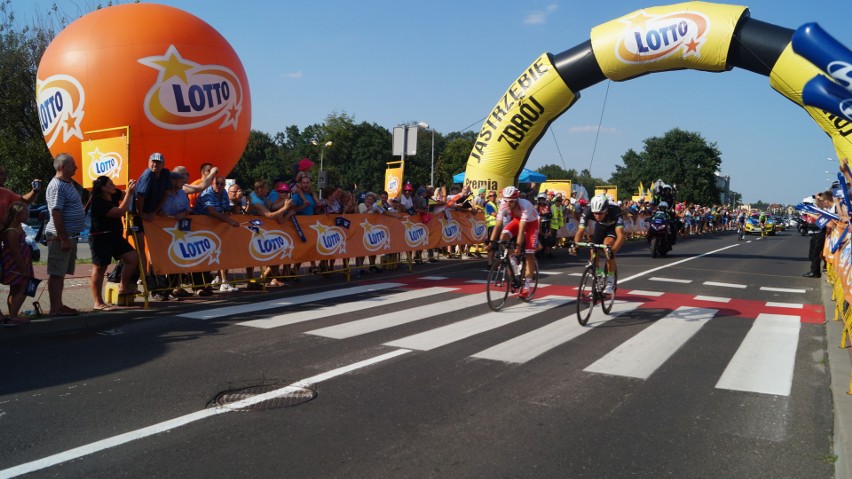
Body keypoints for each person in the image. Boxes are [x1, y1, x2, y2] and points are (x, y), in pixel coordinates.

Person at [87, 176, 139, 310]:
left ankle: (123, 287)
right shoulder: (98, 202)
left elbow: (125, 193)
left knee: (132, 257)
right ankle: (98, 302)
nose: (113, 185)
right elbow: (119, 212)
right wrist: (129, 194)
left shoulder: (113, 192)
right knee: (100, 268)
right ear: (103, 187)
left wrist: (132, 189)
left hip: (115, 235)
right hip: (100, 238)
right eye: (110, 184)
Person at [44, 153, 85, 316]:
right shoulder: (57, 186)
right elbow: (56, 212)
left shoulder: (67, 183)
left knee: (60, 272)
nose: (75, 167)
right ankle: (55, 308)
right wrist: (63, 238)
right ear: (62, 167)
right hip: (59, 236)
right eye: (72, 164)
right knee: (56, 272)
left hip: (69, 235)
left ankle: (59, 305)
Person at [487, 186, 540, 300]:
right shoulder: (503, 204)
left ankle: (526, 287)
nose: (508, 204)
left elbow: (522, 230)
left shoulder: (525, 205)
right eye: (506, 201)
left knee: (529, 253)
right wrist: (491, 242)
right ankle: (513, 262)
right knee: (503, 236)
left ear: (516, 200)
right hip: (517, 220)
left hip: (531, 223)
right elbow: (497, 225)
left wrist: (518, 246)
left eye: (511, 201)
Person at [571, 194, 625, 295]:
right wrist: (575, 245)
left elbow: (621, 235)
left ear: (606, 210)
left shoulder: (615, 210)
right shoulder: (587, 210)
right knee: (593, 251)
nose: (597, 216)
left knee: (607, 245)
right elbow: (580, 231)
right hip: (600, 227)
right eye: (595, 214)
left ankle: (610, 280)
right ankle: (599, 276)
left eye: (600, 213)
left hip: (613, 228)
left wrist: (612, 251)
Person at [193, 176, 240, 292]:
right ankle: (199, 286)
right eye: (217, 183)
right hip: (199, 227)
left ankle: (208, 283)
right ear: (212, 183)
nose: (219, 186)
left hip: (212, 228)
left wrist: (234, 205)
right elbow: (212, 211)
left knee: (212, 253)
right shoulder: (207, 193)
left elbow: (226, 209)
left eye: (222, 184)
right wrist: (229, 221)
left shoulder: (223, 193)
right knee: (200, 255)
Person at [1, 201, 35, 325]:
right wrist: (24, 269)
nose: (28, 216)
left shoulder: (18, 226)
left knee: (15, 289)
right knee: (24, 286)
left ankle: (12, 314)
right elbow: (16, 253)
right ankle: (13, 315)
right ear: (17, 216)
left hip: (21, 262)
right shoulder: (12, 231)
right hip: (15, 264)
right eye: (25, 214)